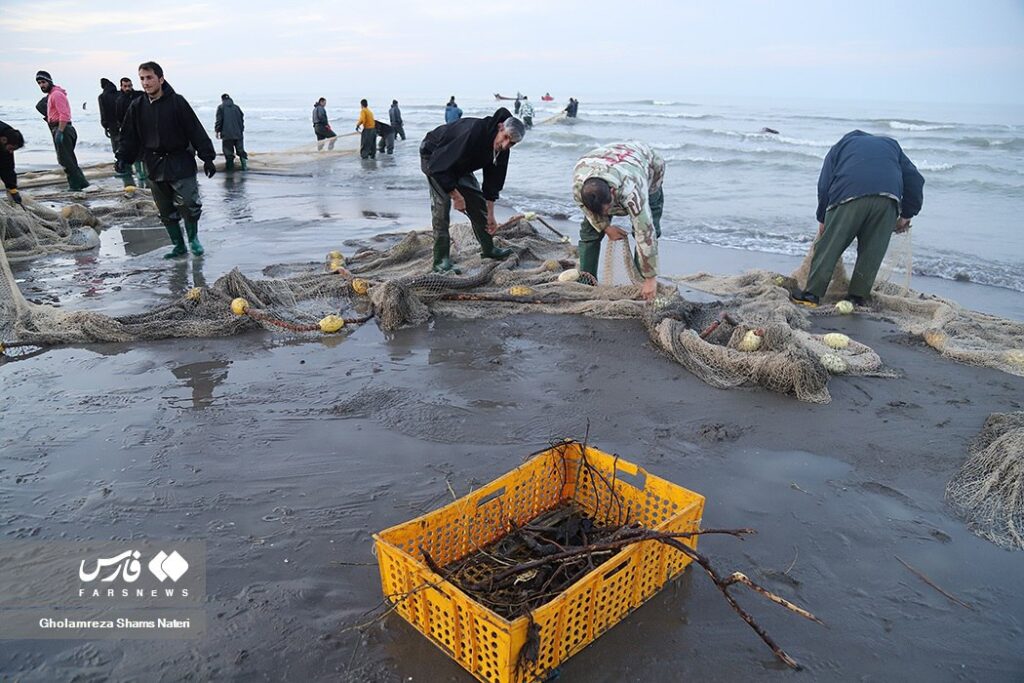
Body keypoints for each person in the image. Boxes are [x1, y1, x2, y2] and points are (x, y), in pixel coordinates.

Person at [791, 130, 924, 307]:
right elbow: (915, 180)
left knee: (830, 245)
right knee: (872, 251)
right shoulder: (892, 146)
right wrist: (907, 214)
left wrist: (822, 218)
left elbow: (824, 185)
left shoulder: (841, 146)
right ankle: (857, 297)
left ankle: (811, 295)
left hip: (848, 195)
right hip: (888, 200)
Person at [115, 61, 217, 259]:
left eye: (149, 78)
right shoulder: (137, 106)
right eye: (142, 79)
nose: (146, 82)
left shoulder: (177, 102)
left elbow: (195, 129)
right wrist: (122, 157)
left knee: (189, 204)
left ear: (161, 79)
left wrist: (207, 157)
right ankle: (178, 245)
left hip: (180, 161)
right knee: (165, 209)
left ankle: (193, 240)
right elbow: (129, 135)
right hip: (154, 163)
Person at [419, 108, 526, 273]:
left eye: (511, 143)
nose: (506, 145)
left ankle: (488, 248)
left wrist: (491, 215)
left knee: (477, 201)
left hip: (460, 163)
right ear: (500, 127)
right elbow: (438, 166)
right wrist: (456, 196)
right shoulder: (472, 132)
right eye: (505, 138)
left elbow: (493, 183)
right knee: (442, 208)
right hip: (435, 157)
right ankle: (440, 260)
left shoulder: (502, 149)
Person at [572, 141, 666, 301]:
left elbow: (645, 233)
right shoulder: (579, 186)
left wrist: (651, 278)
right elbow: (586, 209)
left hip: (648, 165)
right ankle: (586, 283)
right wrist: (605, 227)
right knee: (590, 232)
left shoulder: (632, 190)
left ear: (613, 192)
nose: (608, 214)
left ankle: (640, 284)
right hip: (602, 161)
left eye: (609, 209)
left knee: (646, 229)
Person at [34, 70, 90, 191]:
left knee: (66, 160)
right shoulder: (51, 95)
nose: (41, 85)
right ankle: (81, 183)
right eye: (39, 83)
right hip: (58, 128)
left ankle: (75, 186)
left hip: (63, 129)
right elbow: (41, 107)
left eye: (43, 82)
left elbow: (64, 114)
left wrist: (60, 131)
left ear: (49, 81)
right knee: (68, 159)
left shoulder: (56, 95)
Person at [115, 77, 146, 187]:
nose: (128, 88)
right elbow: (119, 118)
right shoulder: (120, 100)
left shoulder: (139, 95)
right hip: (129, 131)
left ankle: (145, 175)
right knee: (134, 153)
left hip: (142, 128)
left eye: (129, 86)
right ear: (121, 87)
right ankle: (139, 175)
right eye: (125, 86)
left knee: (145, 152)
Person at [215, 94, 248, 172]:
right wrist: (241, 129)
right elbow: (242, 119)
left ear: (222, 99)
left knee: (228, 152)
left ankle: (230, 169)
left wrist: (217, 130)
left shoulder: (221, 108)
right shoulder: (237, 107)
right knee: (240, 150)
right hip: (238, 133)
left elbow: (219, 121)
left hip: (227, 134)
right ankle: (244, 167)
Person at [1, 121, 26, 206]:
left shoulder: (10, 136)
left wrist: (13, 189)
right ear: (3, 140)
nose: (11, 152)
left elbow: (7, 167)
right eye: (11, 148)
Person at [98, 78, 120, 161]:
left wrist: (105, 125)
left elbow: (103, 112)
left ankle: (120, 164)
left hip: (112, 125)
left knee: (116, 147)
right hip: (124, 123)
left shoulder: (102, 97)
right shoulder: (120, 94)